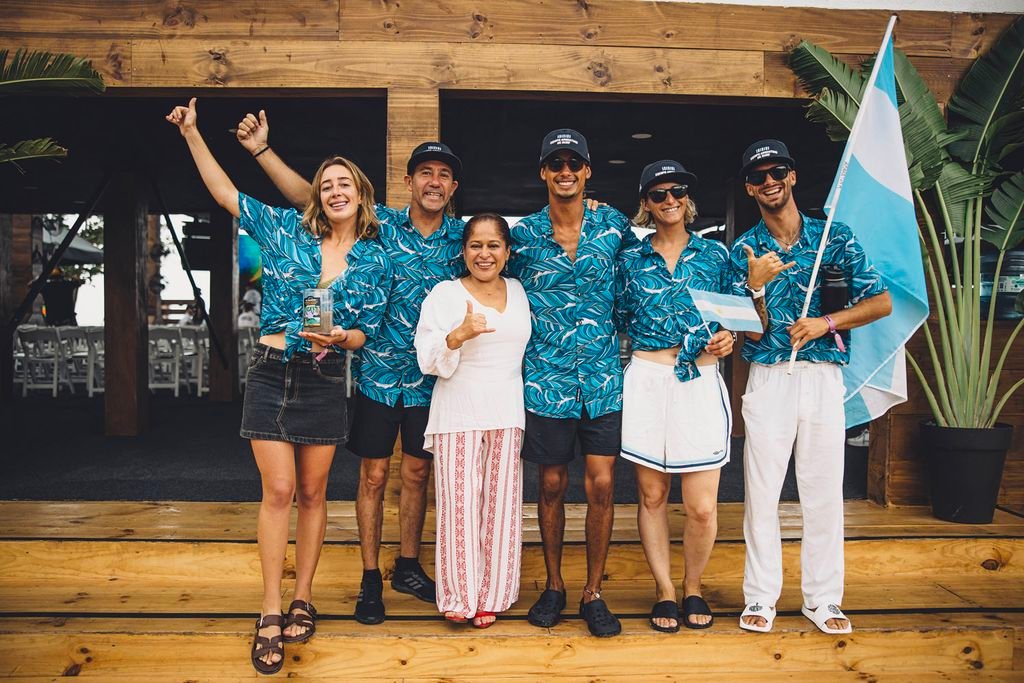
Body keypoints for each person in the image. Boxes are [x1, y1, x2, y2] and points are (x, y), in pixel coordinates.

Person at [166, 98, 392, 674]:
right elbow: (226, 195)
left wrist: (344, 337)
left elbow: (370, 332)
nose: (335, 191)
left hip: (324, 374)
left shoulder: (374, 260)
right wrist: (193, 134)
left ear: (361, 196)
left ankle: (303, 597)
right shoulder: (287, 228)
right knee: (279, 491)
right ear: (316, 196)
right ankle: (270, 608)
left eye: (345, 184)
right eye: (326, 184)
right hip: (271, 371)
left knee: (315, 495)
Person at [236, 110, 463, 624]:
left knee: (418, 471)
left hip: (431, 376)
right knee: (375, 473)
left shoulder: (463, 239)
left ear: (453, 186)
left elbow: (505, 257)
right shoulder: (377, 225)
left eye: (444, 174)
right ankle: (369, 577)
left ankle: (407, 564)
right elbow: (308, 197)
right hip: (378, 370)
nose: (434, 181)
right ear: (408, 181)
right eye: (425, 172)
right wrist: (262, 152)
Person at [729, 139, 892, 635]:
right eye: (758, 176)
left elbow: (880, 301)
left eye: (777, 170)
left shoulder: (832, 236)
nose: (769, 181)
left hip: (823, 375)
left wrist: (827, 322)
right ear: (749, 187)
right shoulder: (744, 249)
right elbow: (749, 332)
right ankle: (760, 597)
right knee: (761, 492)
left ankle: (823, 599)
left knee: (823, 490)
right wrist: (755, 286)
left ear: (792, 176)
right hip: (770, 376)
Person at [509, 129, 633, 637]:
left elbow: (653, 266)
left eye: (574, 163)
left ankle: (594, 592)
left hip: (602, 379)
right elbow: (487, 274)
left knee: (602, 485)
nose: (565, 171)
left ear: (587, 171)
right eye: (555, 163)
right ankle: (556, 585)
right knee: (552, 484)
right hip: (546, 381)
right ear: (543, 172)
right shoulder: (523, 236)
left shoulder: (615, 226)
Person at [615, 160, 735, 632]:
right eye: (658, 194)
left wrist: (728, 338)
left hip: (700, 381)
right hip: (647, 377)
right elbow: (618, 317)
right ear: (645, 203)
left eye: (677, 192)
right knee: (652, 494)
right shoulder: (630, 260)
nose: (669, 201)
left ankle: (693, 585)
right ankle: (664, 589)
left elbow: (738, 320)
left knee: (703, 505)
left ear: (688, 199)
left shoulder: (716, 256)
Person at [415, 213, 531, 629]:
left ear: (507, 251)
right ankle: (458, 595)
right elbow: (426, 358)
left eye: (493, 245)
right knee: (458, 507)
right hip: (458, 412)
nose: (485, 254)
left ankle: (493, 595)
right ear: (463, 251)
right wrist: (457, 336)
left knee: (500, 508)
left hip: (506, 411)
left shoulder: (519, 291)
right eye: (476, 246)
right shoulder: (444, 294)